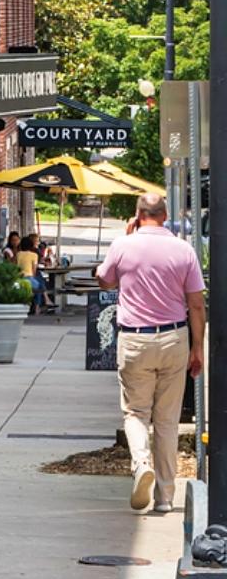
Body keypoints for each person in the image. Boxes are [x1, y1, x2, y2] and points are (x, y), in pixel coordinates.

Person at [97, 193, 206, 514]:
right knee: (168, 421)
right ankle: (165, 497)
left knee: (135, 413)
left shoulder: (123, 245)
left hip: (135, 339)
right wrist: (197, 348)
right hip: (174, 337)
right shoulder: (184, 250)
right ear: (164, 214)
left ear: (138, 214)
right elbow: (197, 303)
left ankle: (141, 462)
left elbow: (104, 281)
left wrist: (126, 238)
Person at [16, 233, 49, 313]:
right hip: (29, 278)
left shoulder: (18, 254)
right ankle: (38, 306)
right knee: (40, 285)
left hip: (19, 278)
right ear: (31, 245)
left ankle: (39, 304)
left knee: (39, 281)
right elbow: (34, 270)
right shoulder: (34, 255)